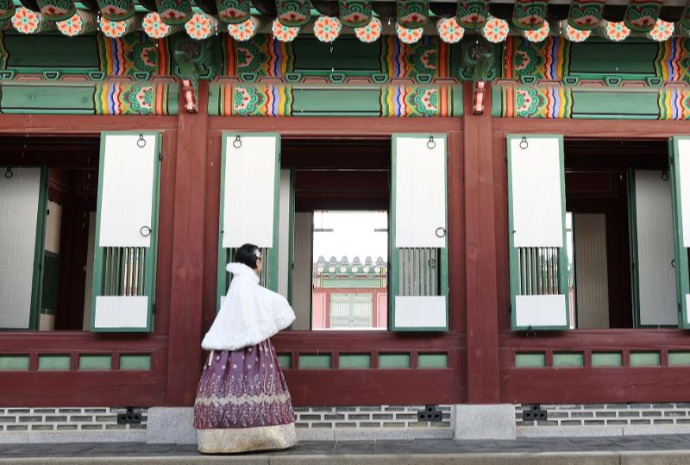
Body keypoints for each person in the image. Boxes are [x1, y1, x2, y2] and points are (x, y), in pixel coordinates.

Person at [193, 243, 297, 454]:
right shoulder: (246, 284)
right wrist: (280, 305)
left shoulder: (239, 283)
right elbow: (263, 302)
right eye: (260, 260)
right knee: (257, 384)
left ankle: (222, 440)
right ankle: (265, 437)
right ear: (256, 261)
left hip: (228, 351)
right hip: (254, 349)